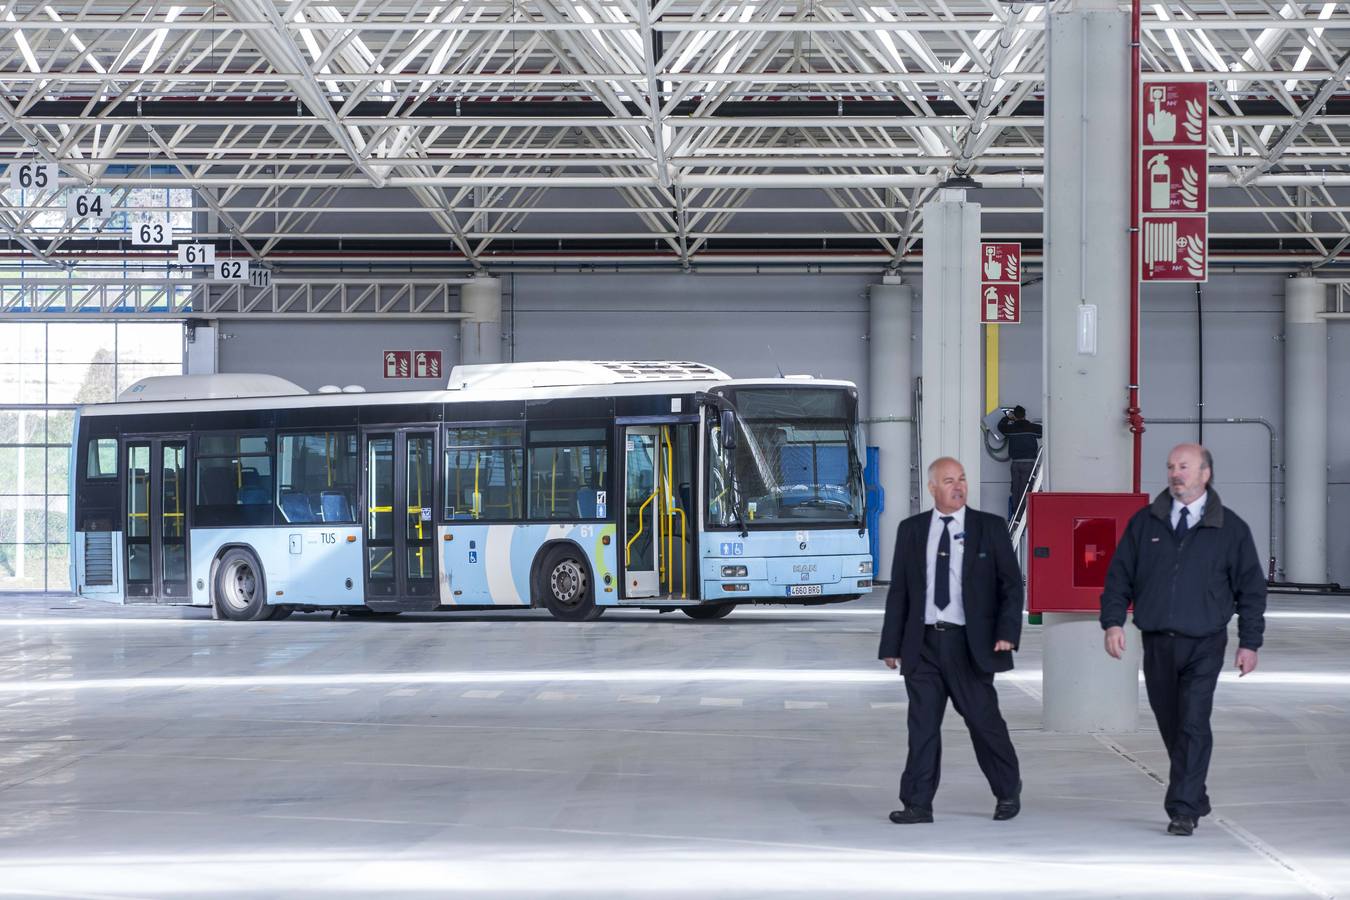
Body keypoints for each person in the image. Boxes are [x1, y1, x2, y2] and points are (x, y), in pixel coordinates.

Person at [1100, 443, 1266, 837]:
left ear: (1205, 473)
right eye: (1172, 466)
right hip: (1157, 642)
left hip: (1204, 642)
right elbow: (1119, 575)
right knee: (1171, 723)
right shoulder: (1146, 523)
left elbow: (1251, 590)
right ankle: (1196, 792)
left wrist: (1250, 642)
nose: (1176, 473)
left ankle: (1183, 809)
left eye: (1185, 467)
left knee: (1192, 722)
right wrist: (1113, 622)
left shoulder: (1231, 529)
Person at [878, 456, 1024, 824]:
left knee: (983, 722)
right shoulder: (911, 530)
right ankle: (917, 803)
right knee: (923, 728)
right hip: (923, 645)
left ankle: (1007, 792)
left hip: (968, 646)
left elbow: (1010, 585)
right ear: (931, 488)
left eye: (961, 479)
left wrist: (1007, 633)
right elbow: (900, 592)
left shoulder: (988, 528)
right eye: (948, 481)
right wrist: (891, 645)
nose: (958, 486)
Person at [997, 405, 1042, 519]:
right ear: (1024, 415)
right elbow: (1042, 431)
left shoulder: (1011, 429)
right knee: (1026, 489)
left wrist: (1008, 417)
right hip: (1029, 463)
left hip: (1015, 464)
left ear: (1015, 416)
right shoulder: (1032, 428)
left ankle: (1016, 514)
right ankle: (1024, 515)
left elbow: (1000, 427)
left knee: (1015, 489)